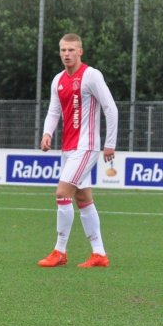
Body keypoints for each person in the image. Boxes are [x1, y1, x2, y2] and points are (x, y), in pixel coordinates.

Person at [38, 33, 118, 268]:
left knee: (62, 193)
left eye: (71, 50)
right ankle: (99, 254)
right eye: (63, 50)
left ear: (80, 52)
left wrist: (110, 143)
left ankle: (60, 251)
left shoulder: (91, 76)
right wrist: (47, 133)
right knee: (82, 198)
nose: (66, 54)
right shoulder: (58, 80)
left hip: (87, 146)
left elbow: (110, 108)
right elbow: (54, 110)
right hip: (68, 148)